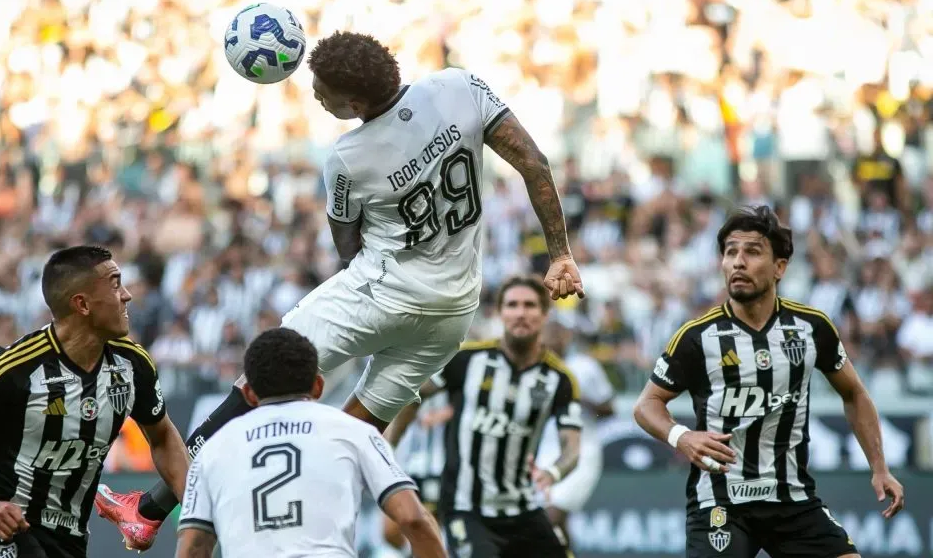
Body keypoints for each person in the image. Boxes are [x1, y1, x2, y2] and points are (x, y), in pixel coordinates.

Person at [97, 30, 585, 550]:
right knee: (352, 431)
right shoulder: (459, 86)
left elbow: (347, 246)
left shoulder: (349, 158)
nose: (314, 95)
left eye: (320, 90)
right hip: (453, 311)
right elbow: (534, 162)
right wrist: (560, 253)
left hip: (380, 291)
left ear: (352, 103)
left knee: (266, 374)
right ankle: (272, 524)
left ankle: (155, 510)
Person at [633, 205, 905, 558]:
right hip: (721, 503)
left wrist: (879, 467)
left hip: (792, 499)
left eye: (752, 251)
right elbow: (646, 405)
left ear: (780, 267)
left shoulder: (811, 328)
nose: (738, 262)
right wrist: (681, 436)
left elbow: (854, 392)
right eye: (731, 252)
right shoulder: (697, 337)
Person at [0, 246, 189, 558]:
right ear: (82, 304)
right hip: (1, 531)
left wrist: (197, 510)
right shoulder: (14, 367)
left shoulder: (133, 364)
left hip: (69, 540)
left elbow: (162, 438)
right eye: (116, 283)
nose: (127, 295)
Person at [174, 327, 446, 558]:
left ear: (247, 392)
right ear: (318, 385)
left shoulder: (214, 449)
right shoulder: (353, 432)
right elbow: (413, 519)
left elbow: (193, 545)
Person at [386, 274, 583, 558]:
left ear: (544, 313)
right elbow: (412, 396)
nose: (520, 313)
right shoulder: (466, 360)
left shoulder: (559, 379)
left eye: (529, 305)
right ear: (501, 313)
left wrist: (553, 473)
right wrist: (388, 448)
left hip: (524, 509)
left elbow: (572, 447)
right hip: (467, 509)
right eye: (512, 305)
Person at [535, 317, 615, 537]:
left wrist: (576, 398)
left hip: (580, 453)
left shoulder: (584, 366)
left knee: (551, 517)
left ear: (566, 336)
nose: (550, 338)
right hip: (545, 453)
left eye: (556, 333)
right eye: (546, 332)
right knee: (555, 526)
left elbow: (608, 409)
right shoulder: (535, 368)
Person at [381, 392, 451, 556]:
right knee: (390, 531)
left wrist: (446, 413)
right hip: (404, 464)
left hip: (437, 465)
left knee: (431, 528)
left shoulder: (454, 371)